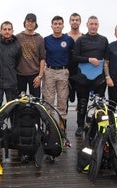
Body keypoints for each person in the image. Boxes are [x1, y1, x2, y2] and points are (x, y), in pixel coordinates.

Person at [72, 15, 109, 137]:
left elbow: (107, 60)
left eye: (95, 24)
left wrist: (107, 76)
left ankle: (99, 125)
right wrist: (89, 59)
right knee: (82, 103)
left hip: (99, 78)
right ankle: (80, 126)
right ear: (87, 25)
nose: (93, 26)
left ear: (98, 25)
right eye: (91, 24)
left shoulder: (104, 40)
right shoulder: (80, 40)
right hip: (83, 76)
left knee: (99, 103)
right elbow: (75, 57)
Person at [44, 16, 74, 146]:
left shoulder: (68, 40)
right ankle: (49, 129)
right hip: (49, 71)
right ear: (51, 26)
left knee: (62, 102)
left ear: (63, 26)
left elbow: (73, 56)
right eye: (55, 24)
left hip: (63, 72)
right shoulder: (46, 40)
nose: (57, 26)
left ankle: (62, 129)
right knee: (48, 101)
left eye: (59, 24)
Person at [0, 21, 22, 112]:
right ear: (0, 31)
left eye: (9, 29)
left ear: (13, 31)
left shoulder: (17, 45)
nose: (7, 31)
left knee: (13, 109)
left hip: (12, 83)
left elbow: (17, 62)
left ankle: (13, 126)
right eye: (4, 29)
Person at [16, 13, 45, 98]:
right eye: (28, 21)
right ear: (25, 22)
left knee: (35, 101)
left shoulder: (40, 38)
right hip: (19, 75)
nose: (30, 23)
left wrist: (40, 76)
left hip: (34, 75)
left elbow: (42, 58)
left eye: (33, 21)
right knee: (20, 101)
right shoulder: (17, 37)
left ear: (35, 24)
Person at [67, 13, 83, 104]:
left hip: (81, 72)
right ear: (70, 22)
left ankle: (80, 118)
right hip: (67, 72)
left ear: (80, 22)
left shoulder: (84, 37)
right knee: (65, 98)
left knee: (81, 99)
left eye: (77, 20)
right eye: (73, 20)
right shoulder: (65, 37)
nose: (75, 22)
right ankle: (63, 118)